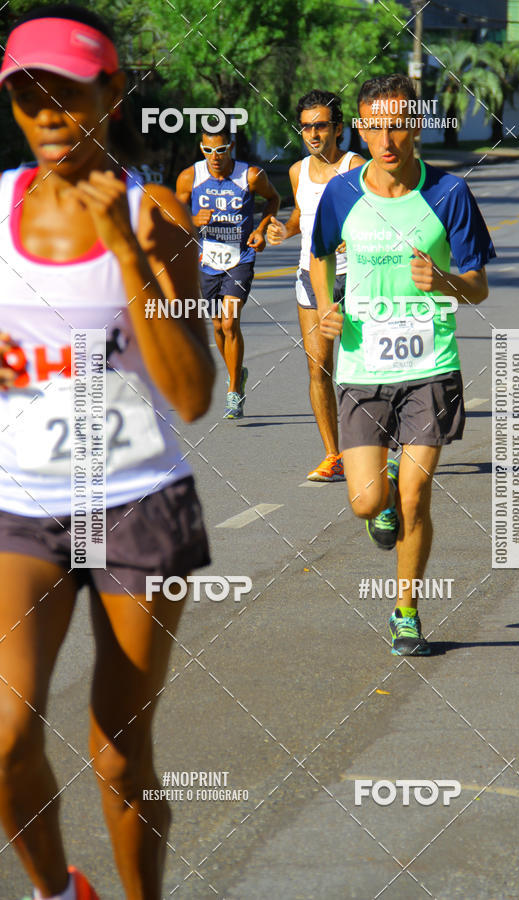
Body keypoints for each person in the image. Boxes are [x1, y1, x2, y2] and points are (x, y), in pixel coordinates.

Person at [0, 5, 215, 899]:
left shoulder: (156, 215)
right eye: (28, 96)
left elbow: (193, 394)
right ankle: (59, 893)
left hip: (138, 503)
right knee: (4, 737)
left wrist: (127, 253)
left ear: (111, 93)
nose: (48, 114)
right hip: (23, 506)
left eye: (67, 93)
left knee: (120, 753)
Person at [311, 73, 495, 655]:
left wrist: (444, 282)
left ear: (415, 125)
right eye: (375, 127)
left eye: (397, 126)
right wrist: (326, 308)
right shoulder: (341, 194)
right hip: (363, 367)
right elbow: (319, 255)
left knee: (415, 497)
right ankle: (382, 492)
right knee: (367, 502)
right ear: (360, 130)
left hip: (430, 365)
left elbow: (478, 286)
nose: (387, 140)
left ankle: (406, 612)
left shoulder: (448, 194)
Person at [267, 91, 364, 481]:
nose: (312, 134)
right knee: (318, 366)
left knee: (366, 368)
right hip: (311, 277)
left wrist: (352, 236)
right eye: (306, 127)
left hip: (356, 277)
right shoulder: (297, 171)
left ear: (338, 129)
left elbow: (377, 212)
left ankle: (377, 447)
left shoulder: (356, 167)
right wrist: (284, 230)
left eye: (320, 125)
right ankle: (333, 455)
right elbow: (301, 215)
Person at [176, 125, 280, 418]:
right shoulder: (190, 177)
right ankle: (238, 372)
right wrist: (192, 219)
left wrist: (261, 229)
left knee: (230, 321)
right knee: (218, 326)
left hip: (240, 258)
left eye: (221, 150)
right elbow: (172, 213)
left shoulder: (251, 176)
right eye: (208, 150)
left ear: (230, 147)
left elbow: (273, 199)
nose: (215, 156)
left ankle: (234, 390)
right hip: (207, 260)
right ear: (201, 148)